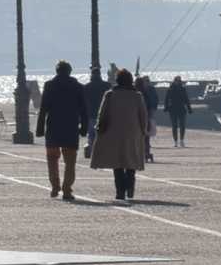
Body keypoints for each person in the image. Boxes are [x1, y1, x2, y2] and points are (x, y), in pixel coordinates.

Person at [91, 68, 150, 203]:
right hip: (133, 132)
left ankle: (120, 192)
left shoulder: (110, 95)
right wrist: (143, 130)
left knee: (117, 163)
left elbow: (102, 113)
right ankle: (130, 185)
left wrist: (99, 128)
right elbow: (143, 115)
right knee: (131, 160)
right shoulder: (137, 96)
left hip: (113, 132)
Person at [36, 60, 88, 199]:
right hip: (70, 128)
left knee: (52, 159)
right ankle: (67, 189)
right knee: (70, 161)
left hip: (53, 127)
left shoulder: (49, 85)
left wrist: (40, 128)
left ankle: (54, 186)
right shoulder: (77, 87)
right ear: (70, 71)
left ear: (57, 71)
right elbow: (83, 110)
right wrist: (84, 128)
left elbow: (43, 109)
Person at [166, 76, 191, 147]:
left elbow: (186, 99)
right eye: (177, 80)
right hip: (173, 109)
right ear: (174, 81)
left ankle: (182, 140)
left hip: (181, 109)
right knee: (174, 126)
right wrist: (166, 107)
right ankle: (175, 141)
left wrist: (189, 108)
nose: (179, 82)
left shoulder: (183, 89)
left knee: (182, 125)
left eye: (180, 81)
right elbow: (167, 99)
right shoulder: (170, 89)